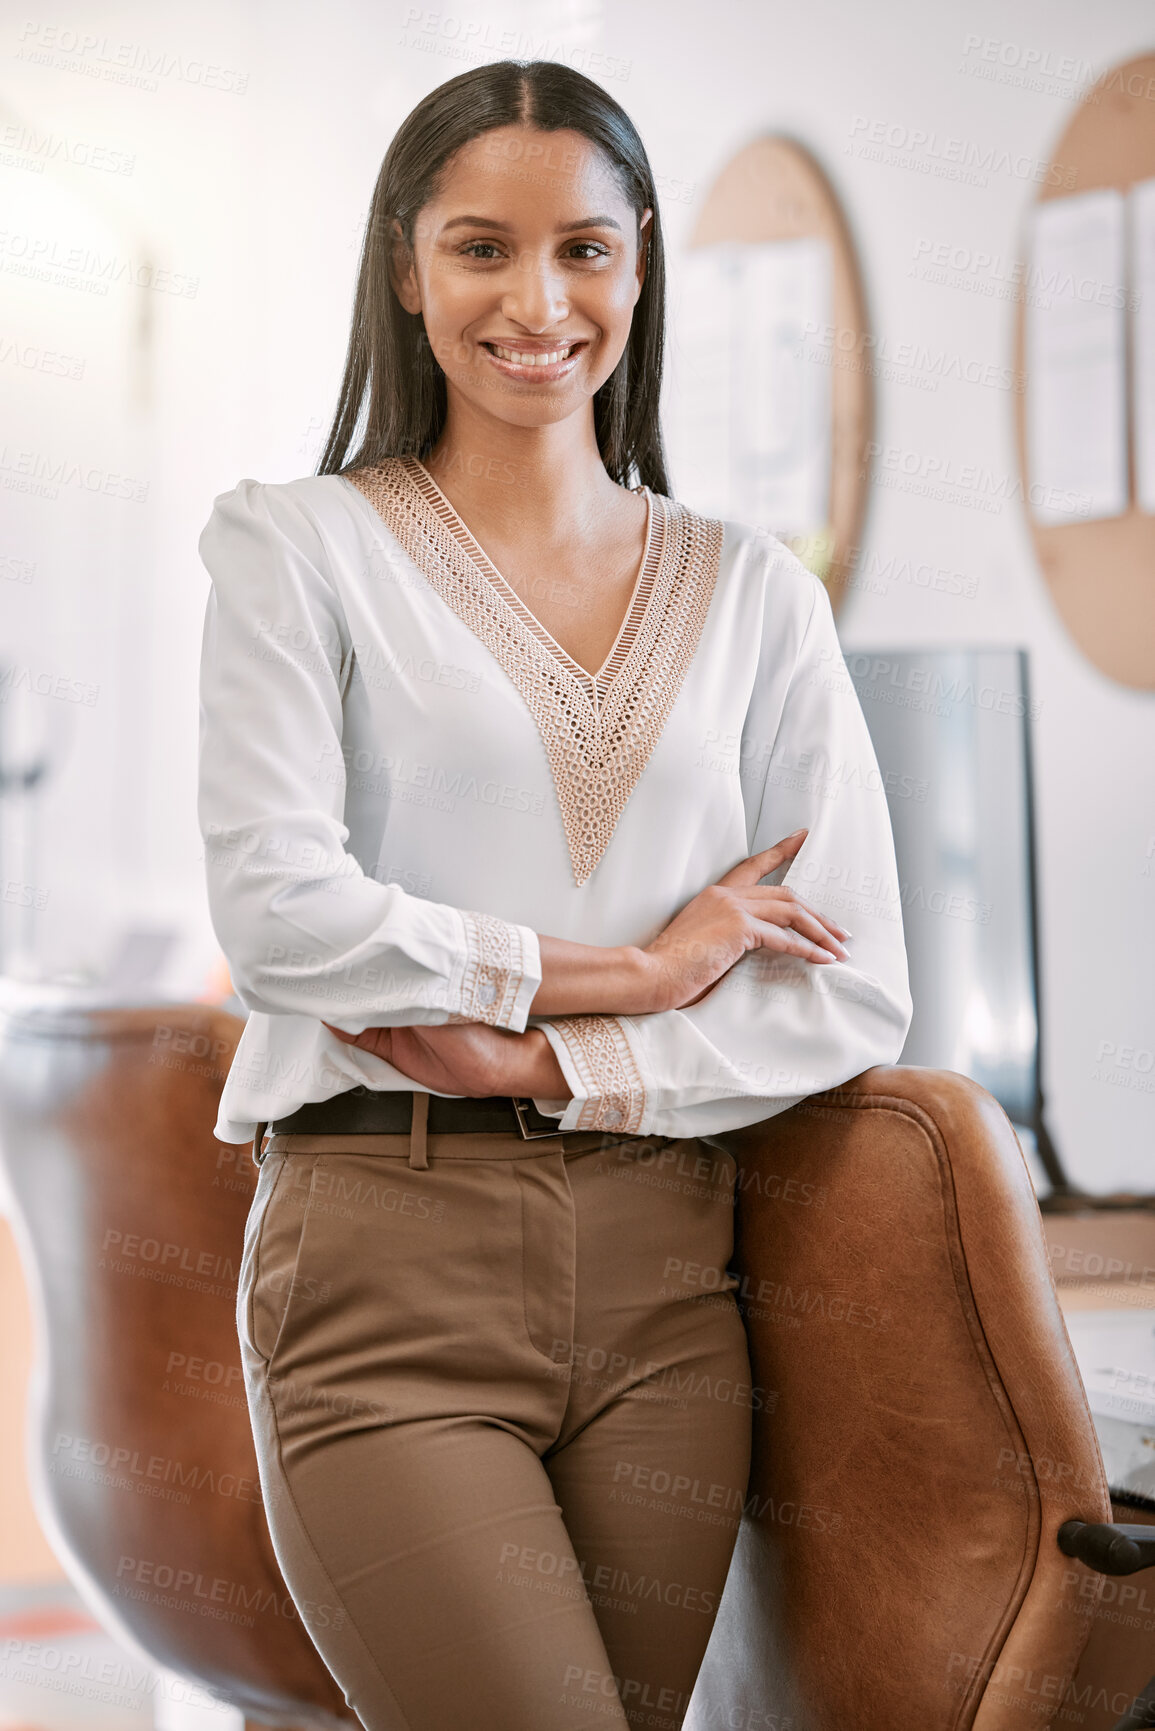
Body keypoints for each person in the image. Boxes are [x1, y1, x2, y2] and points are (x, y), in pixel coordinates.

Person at [196, 58, 913, 1731]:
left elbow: (852, 983)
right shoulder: (295, 548)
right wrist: (636, 975)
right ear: (404, 265)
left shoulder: (754, 594)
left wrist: (553, 1059)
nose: (538, 302)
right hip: (388, 1269)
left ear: (642, 265)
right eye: (481, 249)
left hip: (675, 1284)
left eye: (585, 249)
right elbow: (279, 913)